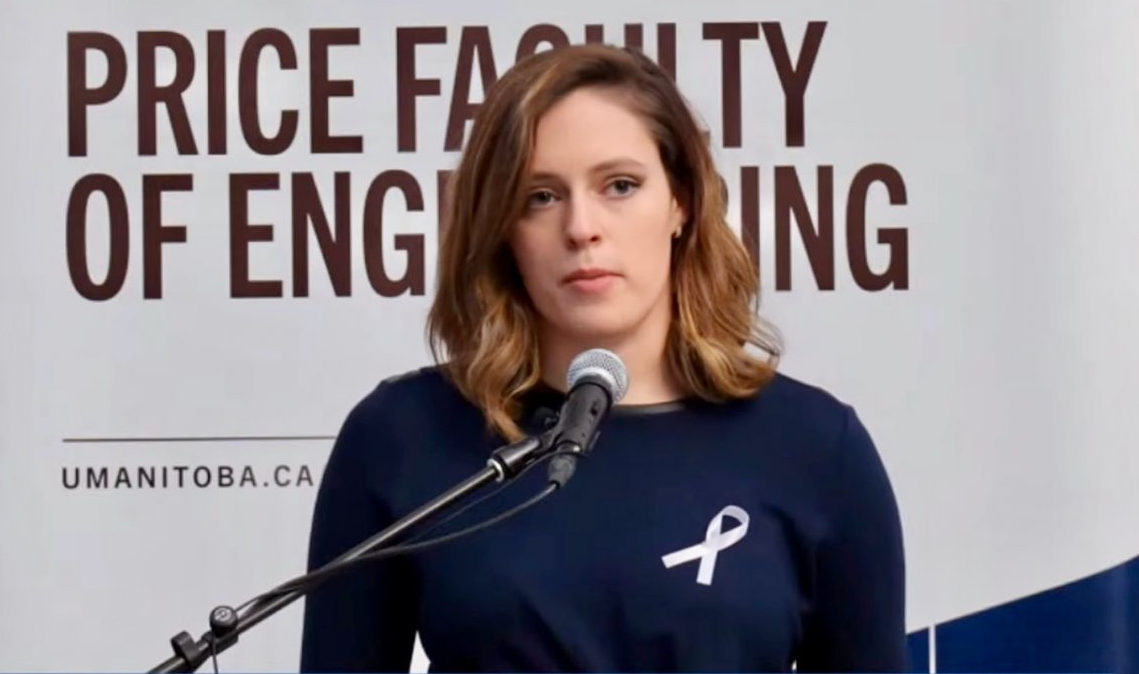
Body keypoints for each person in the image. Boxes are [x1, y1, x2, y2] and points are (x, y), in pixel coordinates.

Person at [300, 43, 907, 672]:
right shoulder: (402, 436)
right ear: (501, 227)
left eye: (620, 185)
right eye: (540, 196)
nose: (581, 227)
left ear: (682, 202)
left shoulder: (816, 449)